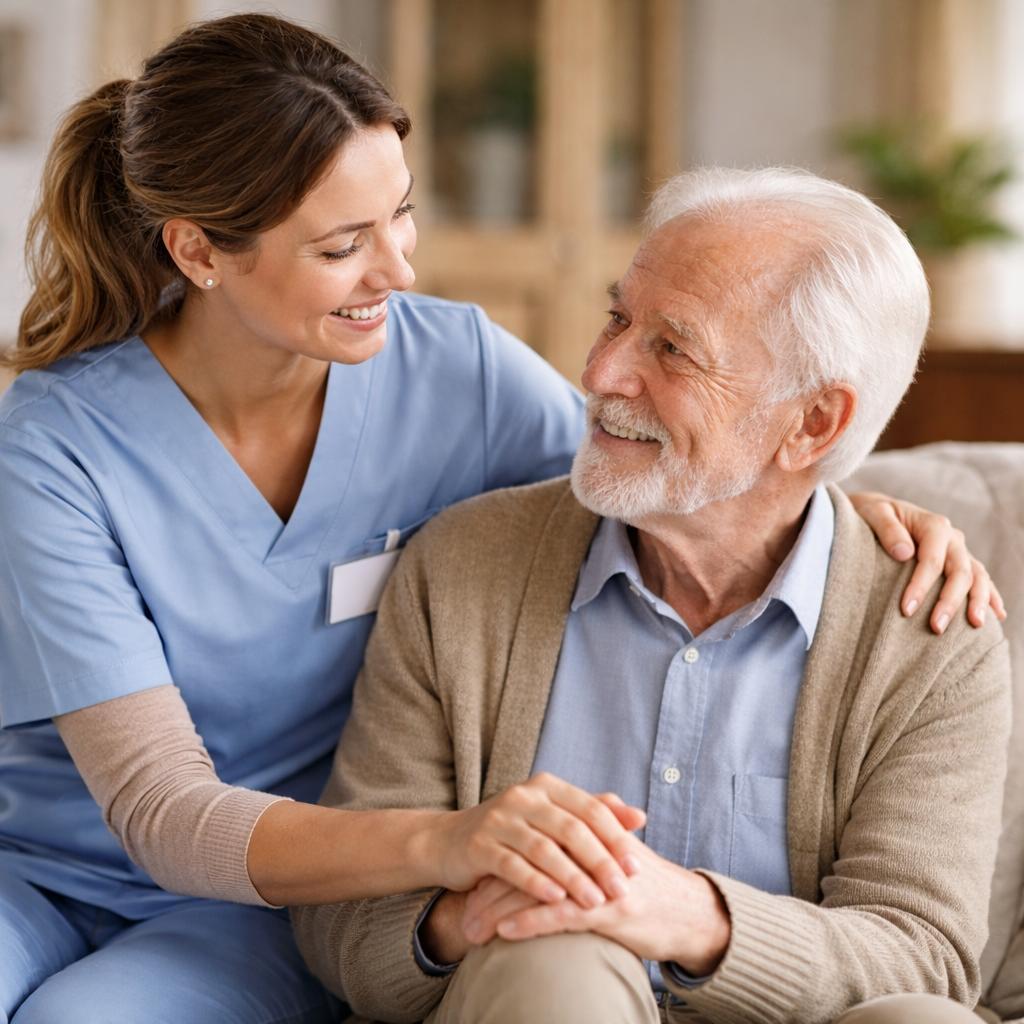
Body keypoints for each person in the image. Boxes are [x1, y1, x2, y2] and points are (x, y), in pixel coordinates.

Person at [0, 13, 997, 1024]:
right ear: (198, 251)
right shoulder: (58, 443)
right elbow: (163, 811)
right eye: (342, 245)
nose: (399, 270)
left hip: (265, 905)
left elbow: (686, 469)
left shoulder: (455, 373)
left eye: (402, 214)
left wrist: (846, 508)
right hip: (77, 860)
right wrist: (453, 843)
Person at [291, 168, 1011, 1024]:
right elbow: (348, 921)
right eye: (617, 319)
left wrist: (687, 915)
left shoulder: (929, 629)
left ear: (814, 423)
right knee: (553, 954)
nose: (601, 371)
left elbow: (924, 955)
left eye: (672, 349)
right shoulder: (463, 568)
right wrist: (469, 917)